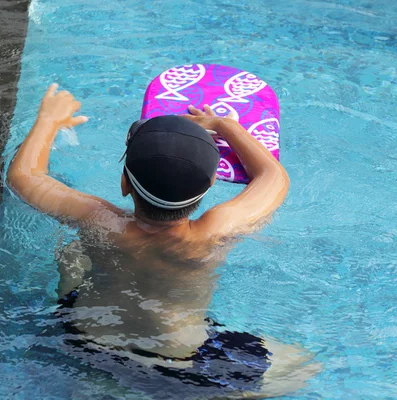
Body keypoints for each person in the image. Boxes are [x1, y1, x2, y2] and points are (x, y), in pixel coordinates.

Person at [7, 84, 318, 398]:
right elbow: (273, 177)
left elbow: (24, 176)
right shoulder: (213, 234)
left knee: (72, 251)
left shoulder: (97, 219)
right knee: (303, 365)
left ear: (125, 183)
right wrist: (226, 125)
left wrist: (48, 119)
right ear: (212, 183)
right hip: (177, 364)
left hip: (82, 337)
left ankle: (103, 379)